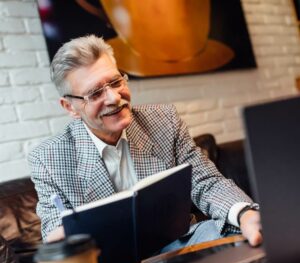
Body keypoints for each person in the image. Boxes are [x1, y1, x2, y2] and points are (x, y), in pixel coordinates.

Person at [28, 35, 262, 251]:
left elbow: (205, 181)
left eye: (116, 82)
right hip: (105, 261)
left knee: (235, 232)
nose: (114, 98)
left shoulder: (163, 120)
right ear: (70, 107)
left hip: (177, 244)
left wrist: (244, 213)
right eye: (96, 93)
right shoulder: (48, 158)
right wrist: (63, 236)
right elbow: (53, 227)